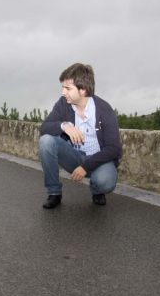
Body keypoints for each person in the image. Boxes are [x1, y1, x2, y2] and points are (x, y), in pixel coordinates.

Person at [39, 63, 122, 209]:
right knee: (46, 141)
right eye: (63, 87)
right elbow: (44, 127)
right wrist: (63, 125)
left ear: (83, 90)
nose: (63, 92)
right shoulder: (63, 104)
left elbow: (114, 149)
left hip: (99, 160)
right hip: (74, 157)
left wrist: (85, 166)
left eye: (68, 88)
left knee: (105, 182)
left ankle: (97, 190)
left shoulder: (104, 110)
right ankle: (54, 192)